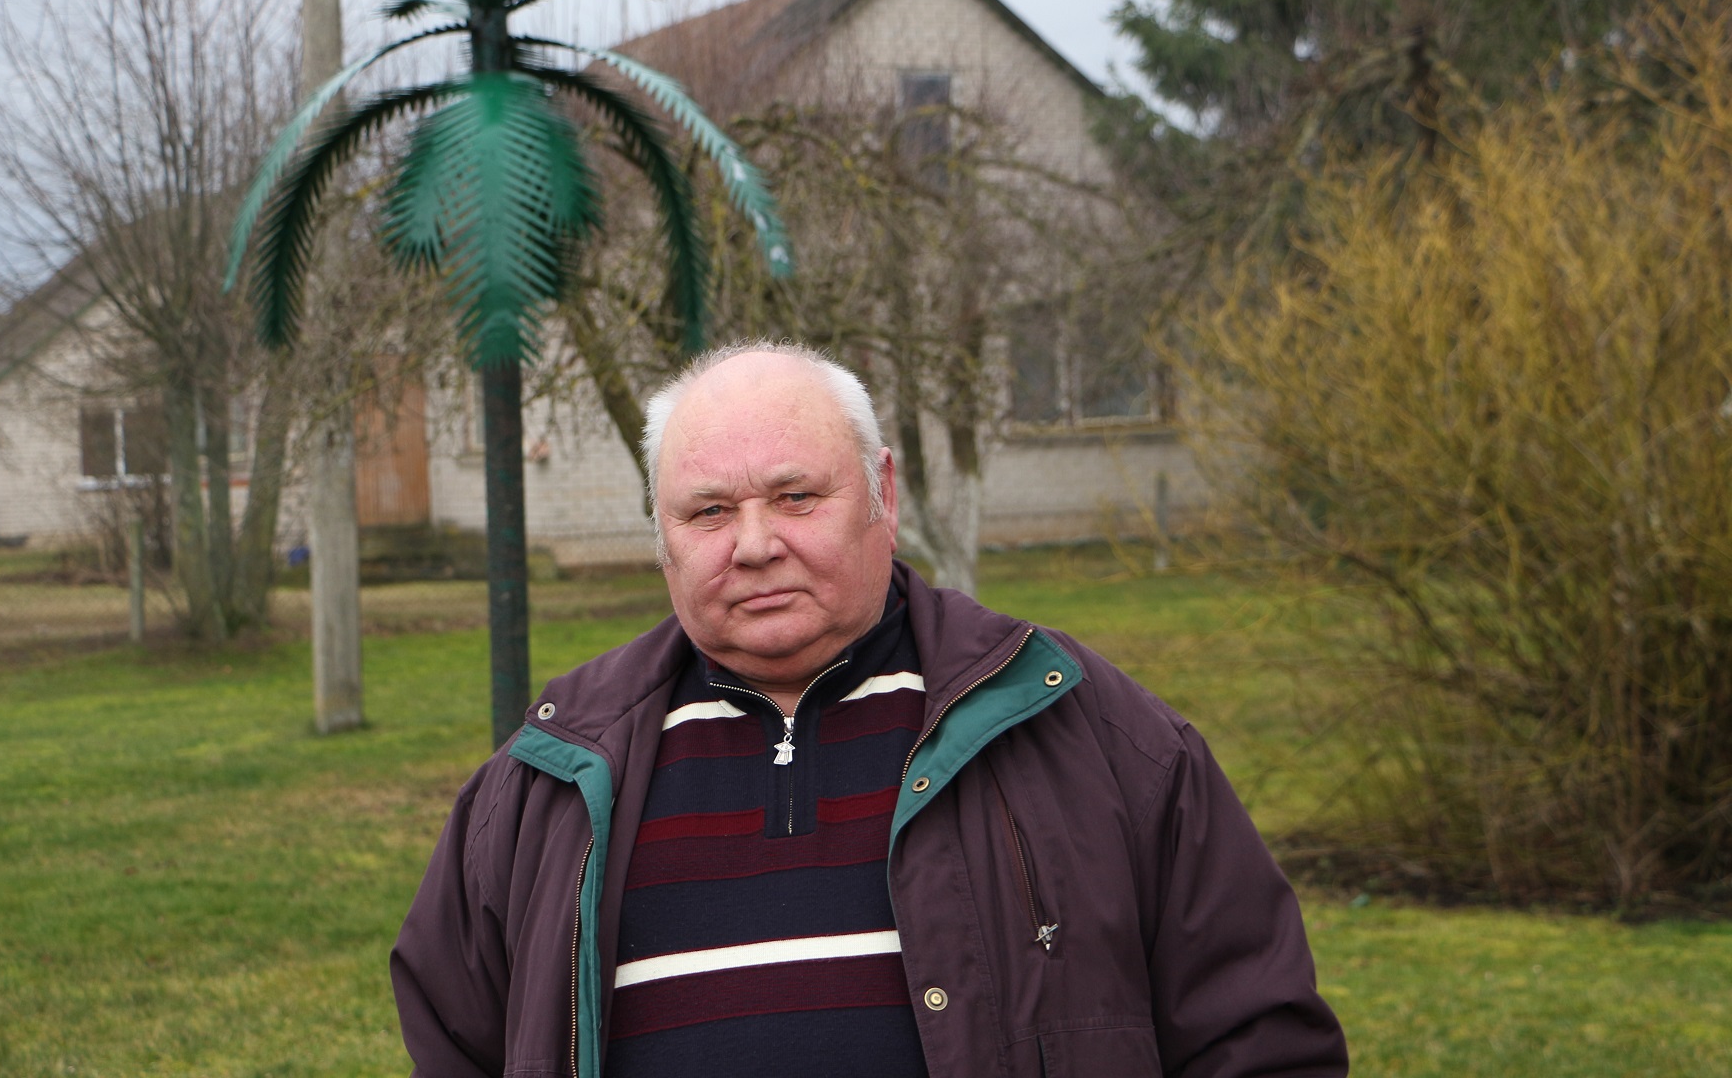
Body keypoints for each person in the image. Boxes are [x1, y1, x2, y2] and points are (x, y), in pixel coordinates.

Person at [392, 341, 1348, 1078]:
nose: (755, 544)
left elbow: (1258, 1041)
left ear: (882, 494)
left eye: (796, 496)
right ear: (663, 535)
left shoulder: (1093, 736)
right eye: (709, 512)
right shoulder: (542, 788)